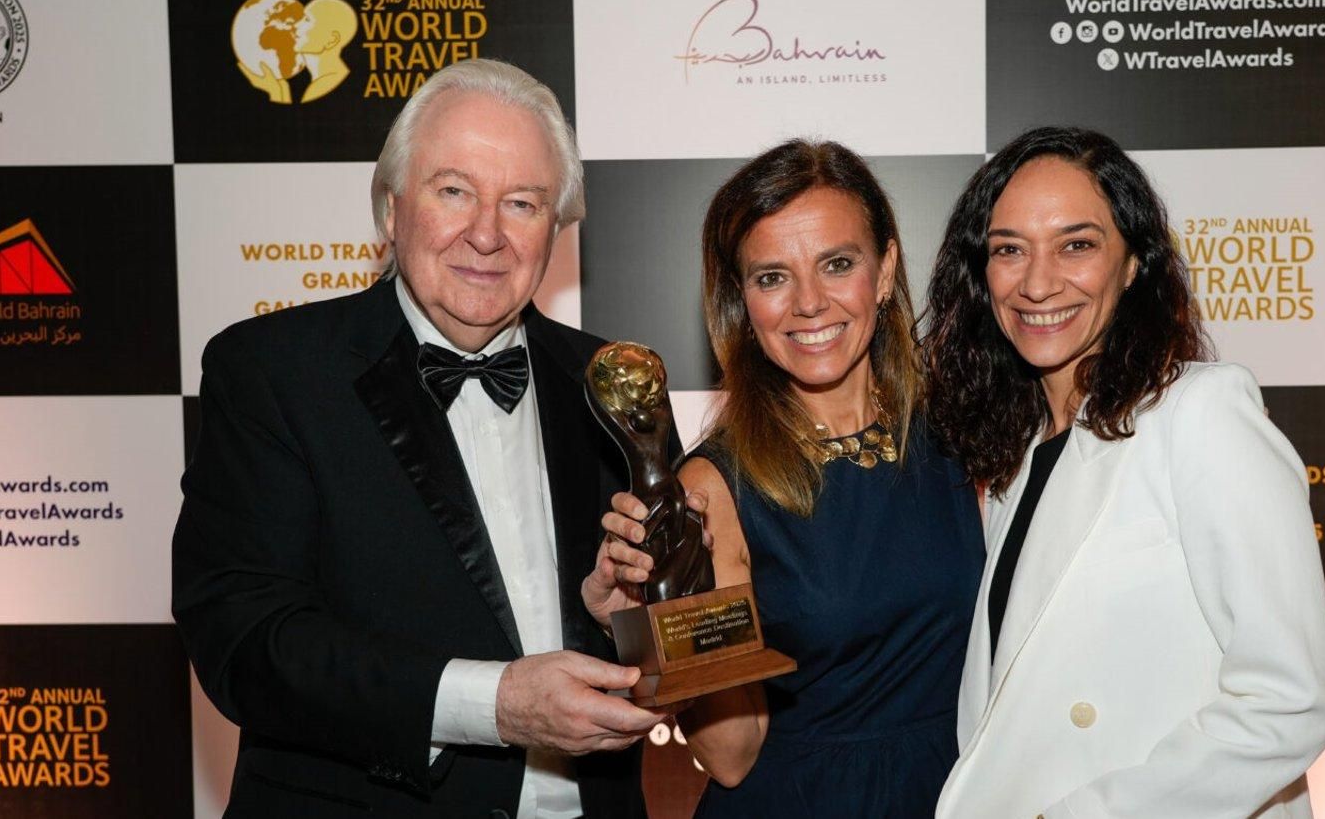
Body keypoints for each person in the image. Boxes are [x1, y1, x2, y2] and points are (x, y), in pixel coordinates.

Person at [173, 58, 665, 818]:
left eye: (522, 203)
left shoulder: (614, 382)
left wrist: (622, 619)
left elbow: (672, 646)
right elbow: (245, 640)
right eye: (454, 191)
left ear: (556, 229)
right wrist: (493, 704)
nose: (486, 234)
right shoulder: (273, 372)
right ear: (390, 208)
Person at [923, 127, 1325, 819]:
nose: (1037, 283)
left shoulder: (1200, 413)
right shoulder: (1014, 457)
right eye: (1009, 250)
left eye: (1076, 245)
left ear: (1135, 262)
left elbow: (1289, 702)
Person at [582, 140, 984, 818]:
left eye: (837, 264)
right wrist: (664, 612)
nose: (809, 303)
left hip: (958, 792)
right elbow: (731, 756)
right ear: (741, 300)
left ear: (885, 271)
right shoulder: (711, 490)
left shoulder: (965, 435)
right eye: (772, 277)